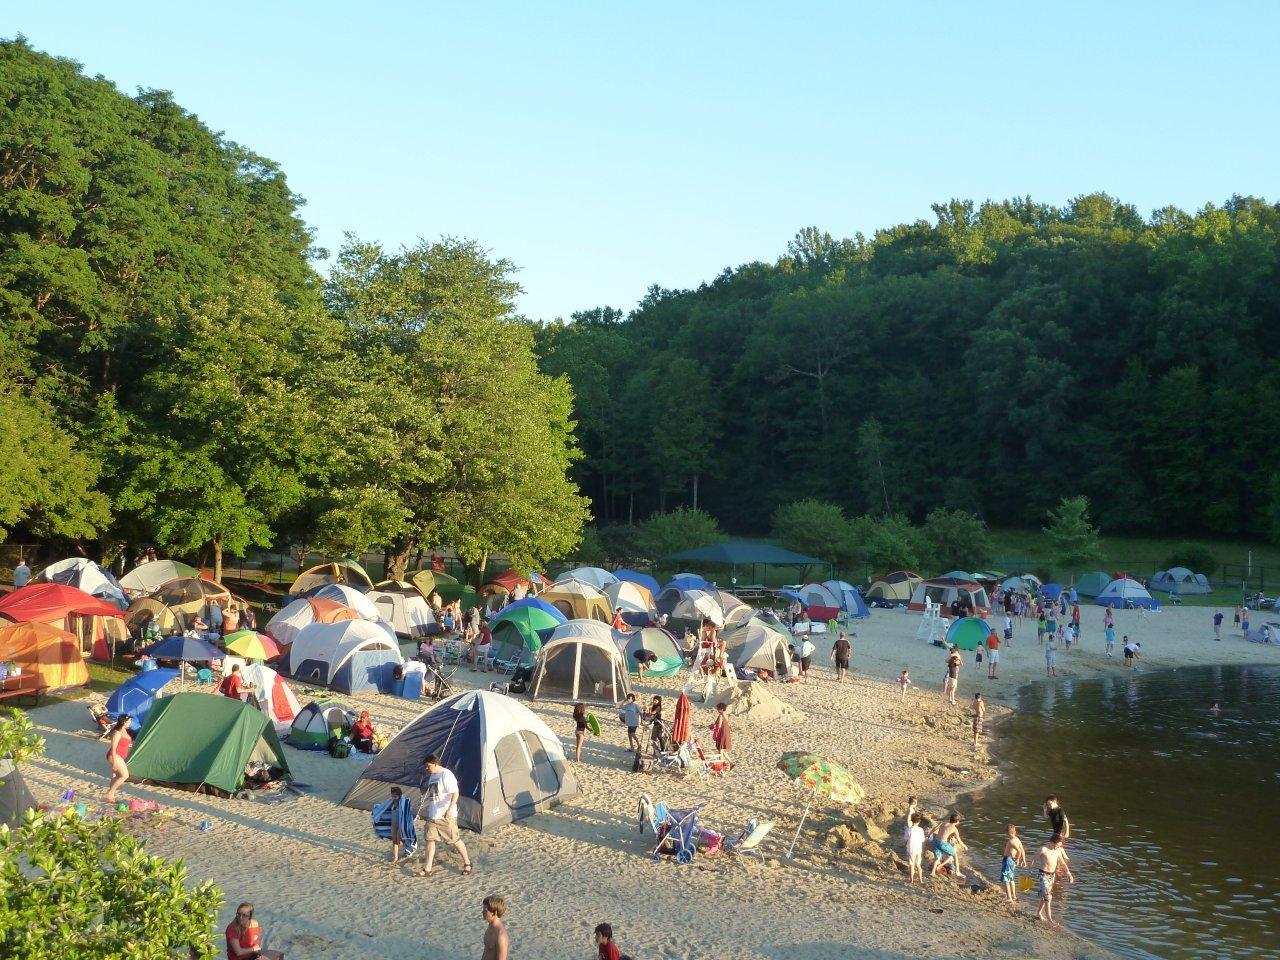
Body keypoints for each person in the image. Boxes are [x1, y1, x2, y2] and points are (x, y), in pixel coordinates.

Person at [418, 754, 472, 877]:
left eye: (428, 765)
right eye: (426, 766)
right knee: (430, 840)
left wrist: (450, 809)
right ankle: (428, 869)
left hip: (446, 816)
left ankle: (467, 863)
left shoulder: (446, 774)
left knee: (454, 841)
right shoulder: (432, 776)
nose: (427, 768)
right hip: (433, 816)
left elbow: (455, 793)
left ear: (435, 763)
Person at [1035, 834, 1074, 926]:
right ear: (1052, 842)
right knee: (1048, 897)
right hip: (1042, 875)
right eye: (1057, 845)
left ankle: (1038, 913)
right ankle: (1050, 920)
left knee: (1044, 896)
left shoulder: (1057, 851)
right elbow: (1034, 860)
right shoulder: (1043, 849)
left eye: (1059, 846)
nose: (1058, 847)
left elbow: (1063, 863)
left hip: (1051, 876)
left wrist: (1069, 874)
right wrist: (1028, 872)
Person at [104, 714, 132, 803]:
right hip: (115, 756)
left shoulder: (124, 731)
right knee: (125, 775)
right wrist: (115, 763)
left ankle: (110, 795)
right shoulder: (117, 732)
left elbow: (125, 742)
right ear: (124, 722)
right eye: (129, 721)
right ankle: (110, 793)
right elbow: (113, 747)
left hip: (120, 756)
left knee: (116, 776)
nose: (130, 722)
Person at [929, 813, 964, 879]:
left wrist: (929, 834)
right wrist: (964, 846)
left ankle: (933, 872)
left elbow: (935, 828)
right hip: (943, 843)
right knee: (955, 855)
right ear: (957, 821)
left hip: (936, 841)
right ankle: (957, 872)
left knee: (937, 858)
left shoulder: (943, 823)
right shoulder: (954, 829)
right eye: (959, 821)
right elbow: (959, 840)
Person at [1001, 825, 1027, 904]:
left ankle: (1009, 897)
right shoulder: (1017, 839)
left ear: (1007, 833)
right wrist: (1024, 860)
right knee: (1011, 879)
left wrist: (1018, 858)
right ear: (1015, 832)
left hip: (1008, 860)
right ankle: (1014, 896)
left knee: (1006, 879)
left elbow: (1019, 851)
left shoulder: (1011, 841)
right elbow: (1022, 850)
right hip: (1012, 862)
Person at [481, 895, 509, 960]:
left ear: (494, 913)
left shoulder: (501, 936)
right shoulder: (490, 927)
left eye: (485, 910)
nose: (482, 912)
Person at [905, 811, 925, 884]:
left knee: (911, 865)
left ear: (911, 820)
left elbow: (906, 839)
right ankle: (920, 880)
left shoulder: (908, 829)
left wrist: (905, 846)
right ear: (919, 821)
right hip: (918, 849)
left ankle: (911, 880)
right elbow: (923, 840)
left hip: (911, 849)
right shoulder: (921, 830)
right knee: (918, 865)